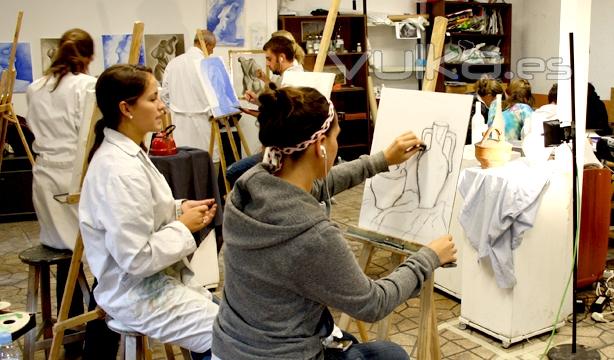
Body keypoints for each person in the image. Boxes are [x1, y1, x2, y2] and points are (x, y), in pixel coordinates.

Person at [212, 86, 457, 360]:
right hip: (283, 354)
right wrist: (428, 257)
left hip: (230, 345)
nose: (336, 144)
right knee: (391, 355)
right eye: (336, 137)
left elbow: (317, 184)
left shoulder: (247, 188)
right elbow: (373, 303)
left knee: (377, 349)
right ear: (320, 146)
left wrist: (381, 160)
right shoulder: (313, 237)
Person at [79, 64, 219, 358]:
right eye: (153, 98)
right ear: (126, 108)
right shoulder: (118, 169)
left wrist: (179, 208)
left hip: (150, 283)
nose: (162, 106)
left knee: (232, 323)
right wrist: (183, 226)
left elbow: (143, 211)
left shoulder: (128, 153)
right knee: (228, 336)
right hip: (135, 293)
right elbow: (136, 257)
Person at [26, 28, 97, 358]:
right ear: (88, 56)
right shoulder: (87, 85)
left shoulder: (35, 87)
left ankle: (72, 320)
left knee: (69, 254)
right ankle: (86, 324)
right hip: (73, 177)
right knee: (90, 249)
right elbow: (90, 136)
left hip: (44, 177)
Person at [227, 35, 306, 186]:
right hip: (281, 148)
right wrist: (256, 102)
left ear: (281, 57)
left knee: (233, 172)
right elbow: (277, 109)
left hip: (282, 151)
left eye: (269, 59)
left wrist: (256, 110)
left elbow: (280, 117)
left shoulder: (292, 80)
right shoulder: (289, 76)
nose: (267, 64)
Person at [162, 30, 220, 162]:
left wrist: (177, 106)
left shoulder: (173, 64)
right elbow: (218, 98)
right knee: (206, 164)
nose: (212, 52)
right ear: (205, 44)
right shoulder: (209, 65)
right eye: (212, 48)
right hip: (204, 124)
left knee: (183, 165)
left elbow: (164, 95)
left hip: (179, 125)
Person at [467, 76, 504, 144]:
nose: (497, 102)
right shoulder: (480, 108)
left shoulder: (469, 96)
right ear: (489, 96)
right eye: (496, 98)